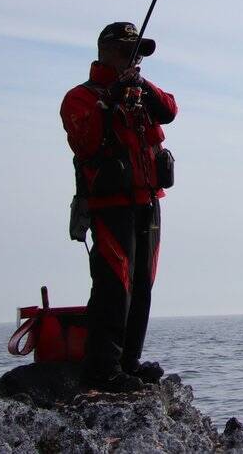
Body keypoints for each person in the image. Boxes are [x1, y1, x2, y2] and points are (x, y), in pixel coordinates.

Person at [60, 22, 177, 392]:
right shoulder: (80, 97)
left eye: (138, 52)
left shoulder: (140, 93)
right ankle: (102, 370)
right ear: (107, 51)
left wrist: (140, 86)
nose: (135, 58)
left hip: (148, 201)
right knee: (114, 285)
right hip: (110, 206)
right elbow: (85, 140)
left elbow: (170, 110)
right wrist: (110, 98)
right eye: (128, 50)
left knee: (142, 284)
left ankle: (128, 363)